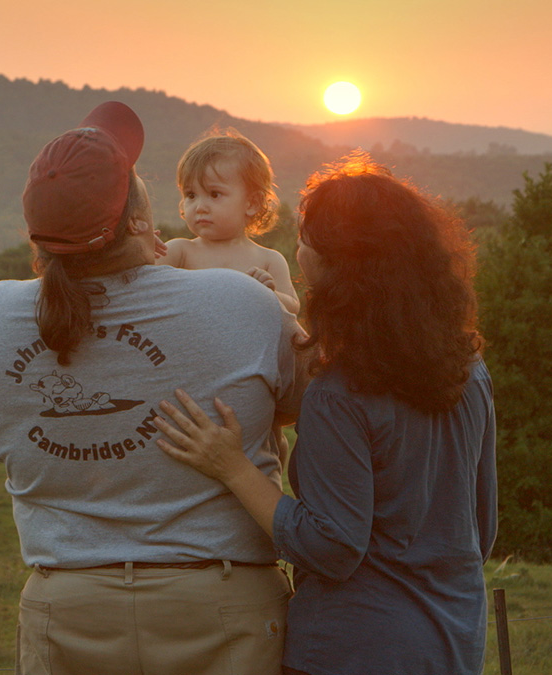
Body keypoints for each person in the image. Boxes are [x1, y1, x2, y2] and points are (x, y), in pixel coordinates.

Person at [0, 101, 304, 675]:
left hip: (68, 612)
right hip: (219, 607)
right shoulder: (241, 303)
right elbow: (298, 407)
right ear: (138, 220)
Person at [155, 152, 497, 675]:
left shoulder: (340, 392)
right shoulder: (469, 369)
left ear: (340, 266)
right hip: (453, 642)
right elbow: (481, 526)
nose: (299, 248)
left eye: (307, 239)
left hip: (353, 646)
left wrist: (233, 467)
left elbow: (332, 546)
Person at [158, 130, 299, 314]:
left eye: (214, 194)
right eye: (191, 195)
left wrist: (267, 294)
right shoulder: (179, 252)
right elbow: (141, 286)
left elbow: (293, 308)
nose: (200, 206)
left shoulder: (268, 260)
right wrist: (143, 246)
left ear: (252, 203)